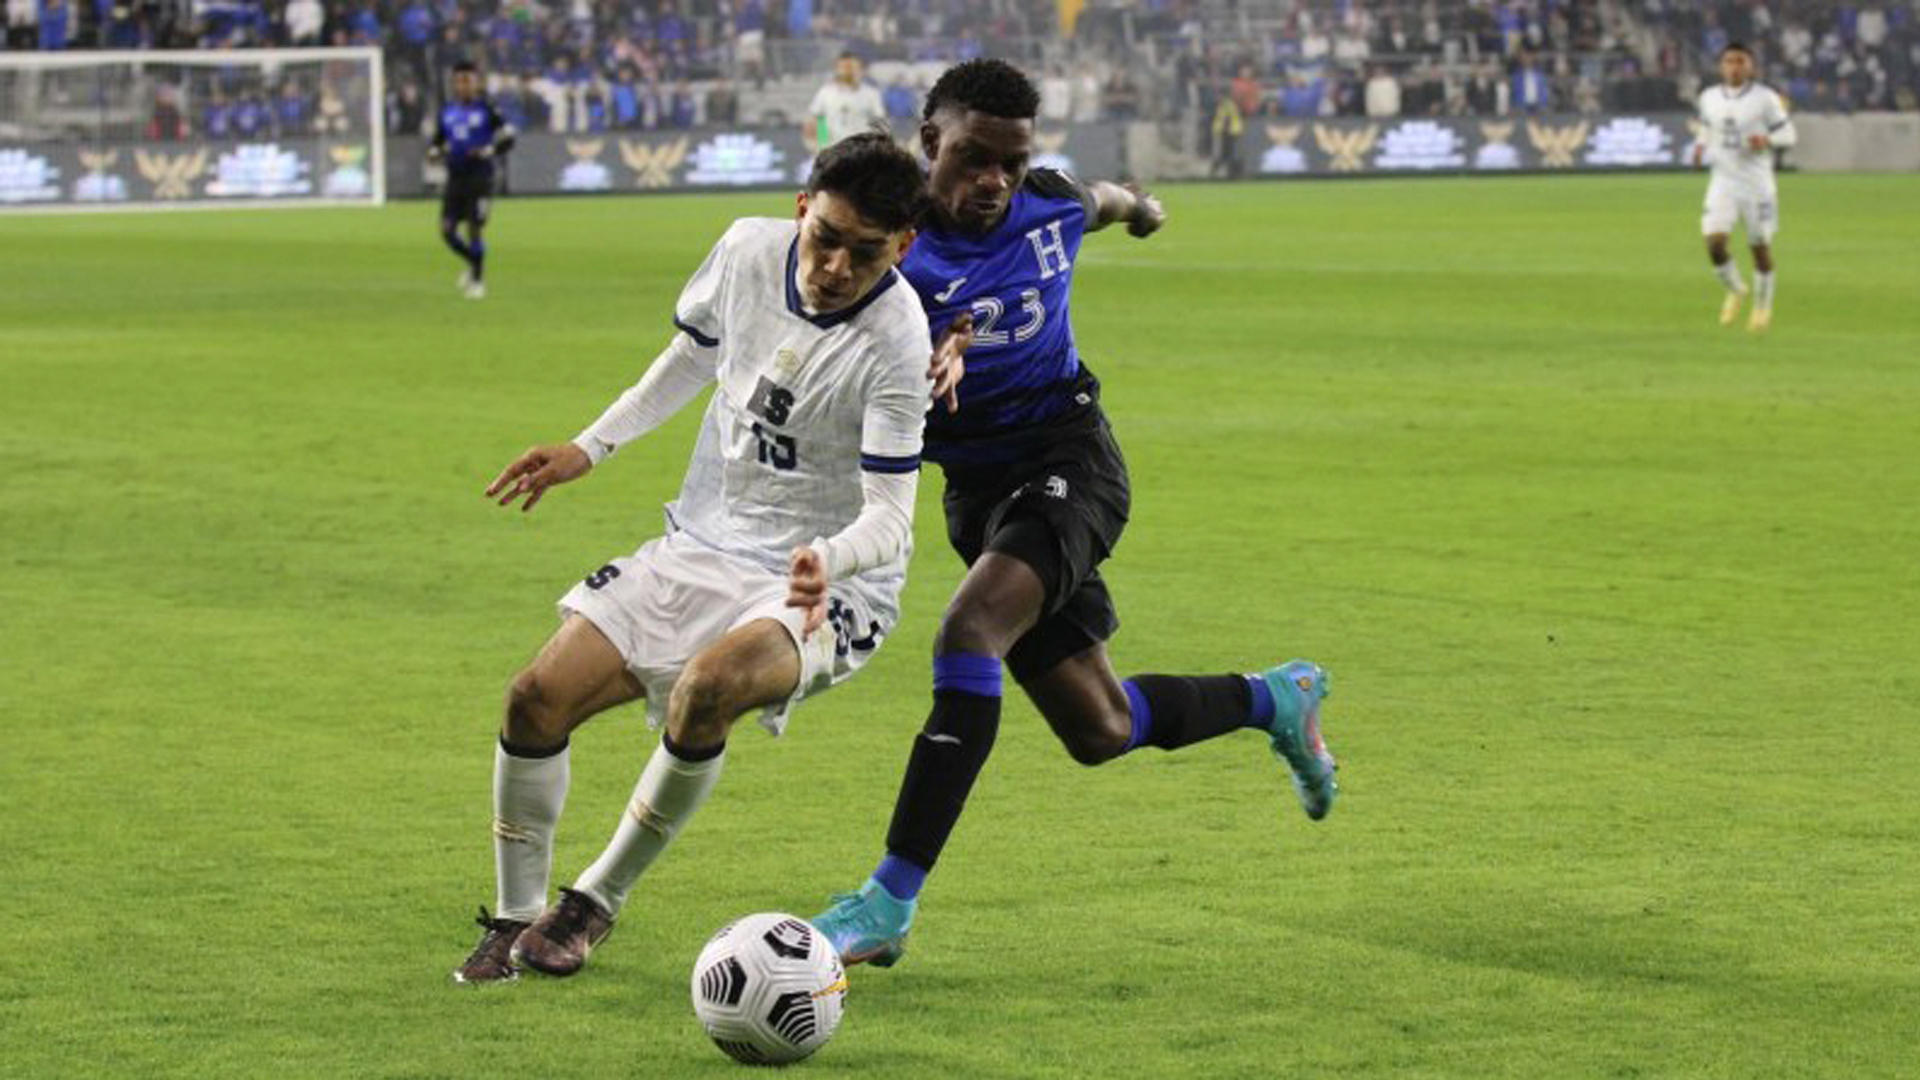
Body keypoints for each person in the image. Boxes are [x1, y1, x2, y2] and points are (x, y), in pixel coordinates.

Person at [809, 59, 1339, 968]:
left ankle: (889, 902)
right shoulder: (888, 250)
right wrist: (940, 341)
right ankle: (1275, 697)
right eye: (975, 159)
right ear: (931, 141)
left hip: (1071, 460)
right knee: (1100, 728)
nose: (994, 183)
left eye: (1010, 163)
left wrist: (1140, 207)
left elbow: (1094, 198)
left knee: (969, 632)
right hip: (981, 497)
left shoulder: (1044, 205)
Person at [451, 132, 963, 985]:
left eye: (864, 252)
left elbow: (892, 522)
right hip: (699, 543)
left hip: (829, 587)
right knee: (534, 700)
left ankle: (592, 903)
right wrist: (590, 447)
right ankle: (511, 919)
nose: (835, 265)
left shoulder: (897, 342)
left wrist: (823, 561)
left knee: (708, 689)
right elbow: (691, 357)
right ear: (801, 209)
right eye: (824, 238)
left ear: (902, 246)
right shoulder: (744, 249)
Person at [1692, 42, 1796, 332]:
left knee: (1760, 248)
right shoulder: (1709, 97)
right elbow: (1706, 126)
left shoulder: (1765, 98)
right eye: (1729, 61)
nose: (1734, 67)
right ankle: (1737, 289)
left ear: (1751, 66)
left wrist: (1768, 141)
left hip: (1757, 184)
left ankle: (1762, 305)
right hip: (1722, 181)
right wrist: (1700, 147)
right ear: (1721, 66)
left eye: (1740, 61)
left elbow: (1789, 134)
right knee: (1714, 243)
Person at [428, 60, 516, 301]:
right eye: (459, 81)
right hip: (455, 177)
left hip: (480, 177)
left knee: (474, 229)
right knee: (446, 232)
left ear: (476, 83)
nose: (463, 85)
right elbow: (437, 141)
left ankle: (477, 281)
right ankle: (473, 263)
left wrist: (489, 150)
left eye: (467, 80)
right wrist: (434, 152)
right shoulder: (447, 111)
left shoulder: (488, 109)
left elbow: (509, 138)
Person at [806, 50, 887, 152]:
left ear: (860, 70)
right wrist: (823, 144)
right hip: (834, 151)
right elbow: (820, 120)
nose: (848, 71)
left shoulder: (872, 94)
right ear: (836, 69)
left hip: (862, 152)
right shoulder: (825, 93)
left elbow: (879, 123)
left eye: (852, 67)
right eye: (844, 67)